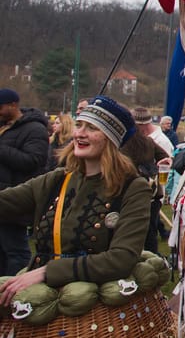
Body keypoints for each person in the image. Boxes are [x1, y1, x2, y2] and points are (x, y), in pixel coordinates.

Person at [0, 95, 150, 303]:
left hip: (93, 308)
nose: (80, 133)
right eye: (79, 125)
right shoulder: (57, 179)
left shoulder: (134, 188)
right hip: (38, 298)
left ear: (110, 138)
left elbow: (121, 259)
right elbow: (5, 202)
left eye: (92, 128)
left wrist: (46, 272)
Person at [0, 88, 50, 275]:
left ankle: (17, 291)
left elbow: (34, 161)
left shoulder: (35, 129)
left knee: (16, 252)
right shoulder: (3, 126)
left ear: (13, 105)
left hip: (15, 201)